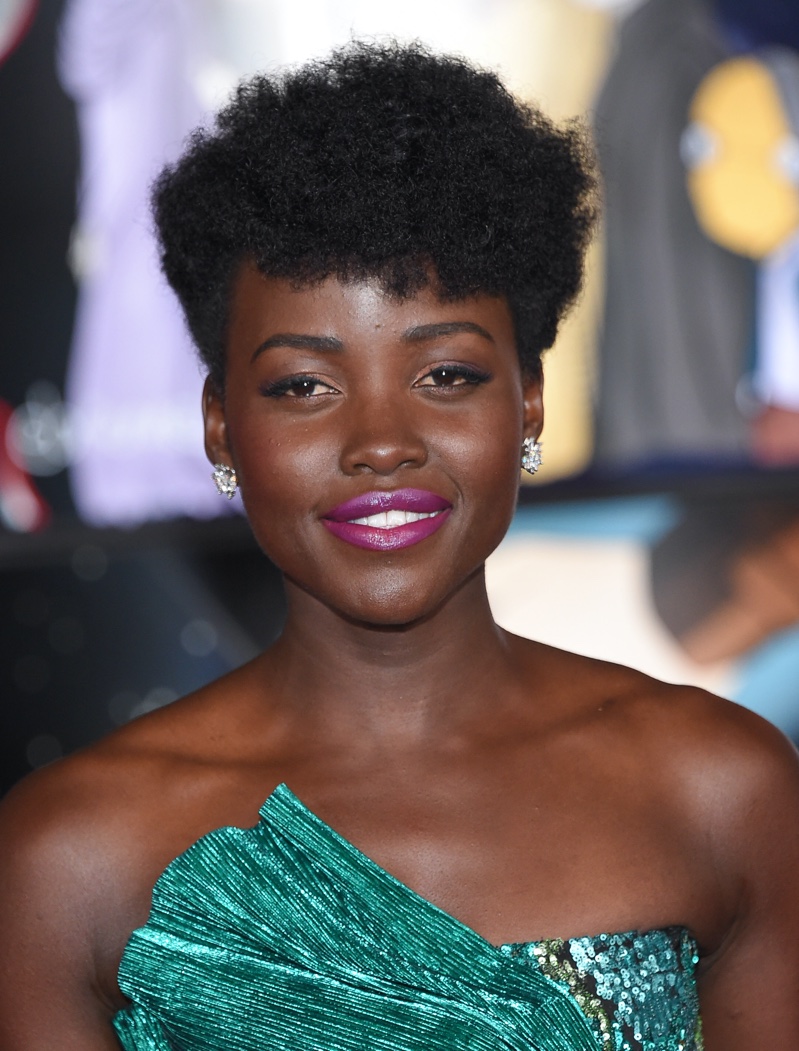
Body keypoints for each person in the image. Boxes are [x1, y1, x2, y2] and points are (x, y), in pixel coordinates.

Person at [1, 41, 798, 1051]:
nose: (381, 442)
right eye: (303, 385)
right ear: (219, 428)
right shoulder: (70, 853)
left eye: (449, 376)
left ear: (530, 403)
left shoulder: (721, 787)